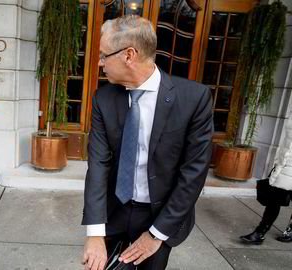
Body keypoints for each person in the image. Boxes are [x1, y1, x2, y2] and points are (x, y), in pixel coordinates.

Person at [81, 15, 213, 270]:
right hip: (113, 212)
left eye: (104, 55)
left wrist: (156, 234)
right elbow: (98, 164)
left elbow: (193, 174)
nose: (99, 63)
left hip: (159, 216)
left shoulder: (194, 99)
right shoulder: (103, 98)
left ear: (129, 55)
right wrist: (95, 233)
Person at [240, 117, 292, 244]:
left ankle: (290, 230)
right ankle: (259, 233)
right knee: (273, 199)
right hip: (285, 166)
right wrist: (278, 164)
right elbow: (287, 143)